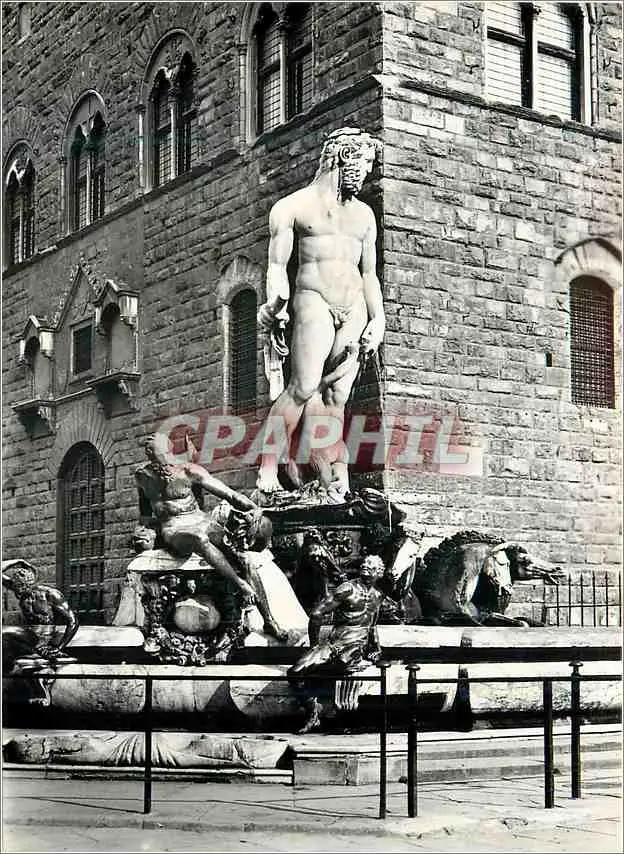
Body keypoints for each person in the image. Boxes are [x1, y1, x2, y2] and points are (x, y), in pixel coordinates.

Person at [256, 127, 385, 499]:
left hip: (354, 307)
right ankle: (268, 466)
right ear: (344, 158)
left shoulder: (364, 216)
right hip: (314, 299)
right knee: (303, 387)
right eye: (364, 164)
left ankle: (334, 482)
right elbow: (277, 266)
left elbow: (369, 274)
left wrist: (378, 319)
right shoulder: (293, 207)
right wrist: (275, 302)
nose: (367, 173)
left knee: (336, 399)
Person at [135, 435, 265, 604]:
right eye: (150, 453)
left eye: (158, 452)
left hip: (203, 521)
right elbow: (145, 514)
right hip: (174, 529)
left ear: (169, 451)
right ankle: (240, 585)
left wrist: (253, 507)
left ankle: (268, 617)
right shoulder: (142, 476)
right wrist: (144, 531)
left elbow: (230, 495)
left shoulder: (188, 471)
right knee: (199, 538)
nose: (155, 458)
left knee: (241, 556)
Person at [288, 555, 388, 732]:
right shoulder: (347, 589)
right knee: (295, 672)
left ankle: (332, 710)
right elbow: (316, 614)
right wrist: (315, 645)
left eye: (370, 565)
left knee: (341, 662)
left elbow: (372, 625)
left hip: (356, 645)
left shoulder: (378, 595)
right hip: (334, 643)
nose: (365, 566)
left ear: (379, 572)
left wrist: (376, 648)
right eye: (364, 563)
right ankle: (313, 710)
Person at [2, 560, 78, 660]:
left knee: (6, 634)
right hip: (28, 637)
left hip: (46, 638)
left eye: (21, 586)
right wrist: (18, 561)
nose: (17, 590)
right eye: (16, 586)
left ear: (29, 583)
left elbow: (73, 621)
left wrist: (59, 648)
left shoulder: (50, 594)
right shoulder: (19, 589)